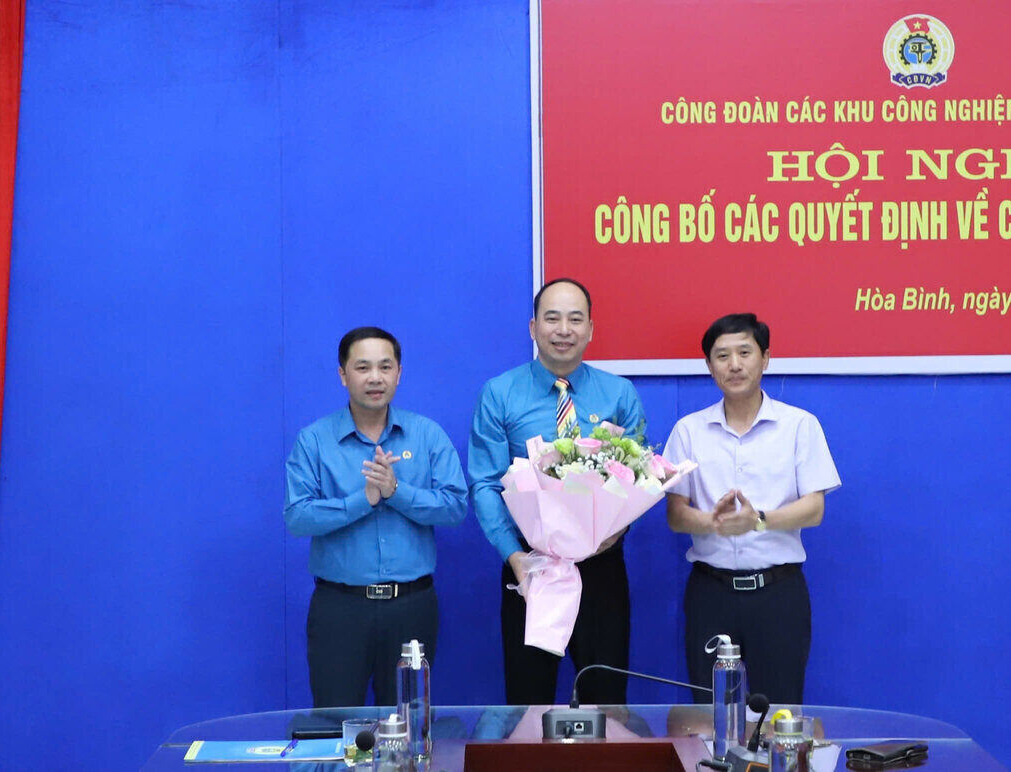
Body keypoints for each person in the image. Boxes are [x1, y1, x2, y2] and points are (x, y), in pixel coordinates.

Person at [469, 277, 646, 705]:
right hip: (531, 567)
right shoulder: (500, 393)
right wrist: (516, 558)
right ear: (533, 328)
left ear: (590, 330)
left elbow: (640, 478)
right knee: (529, 701)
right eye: (551, 318)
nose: (563, 329)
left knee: (606, 702)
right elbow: (485, 483)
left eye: (574, 319)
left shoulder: (619, 393)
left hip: (601, 567)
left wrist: (612, 533)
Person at [663, 313, 841, 705]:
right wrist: (713, 522)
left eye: (745, 352)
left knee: (777, 714)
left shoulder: (799, 426)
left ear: (766, 358)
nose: (735, 364)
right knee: (709, 719)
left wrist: (756, 521)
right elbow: (676, 514)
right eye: (722, 356)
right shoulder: (688, 431)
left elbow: (814, 509)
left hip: (778, 594)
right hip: (712, 593)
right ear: (709, 366)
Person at [285, 326, 467, 707]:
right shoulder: (314, 440)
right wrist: (362, 501)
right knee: (335, 726)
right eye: (363, 367)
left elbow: (455, 507)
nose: (375, 378)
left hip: (411, 607)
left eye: (385, 367)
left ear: (399, 373)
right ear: (343, 375)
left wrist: (396, 493)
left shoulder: (427, 435)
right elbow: (298, 517)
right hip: (340, 608)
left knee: (409, 725)